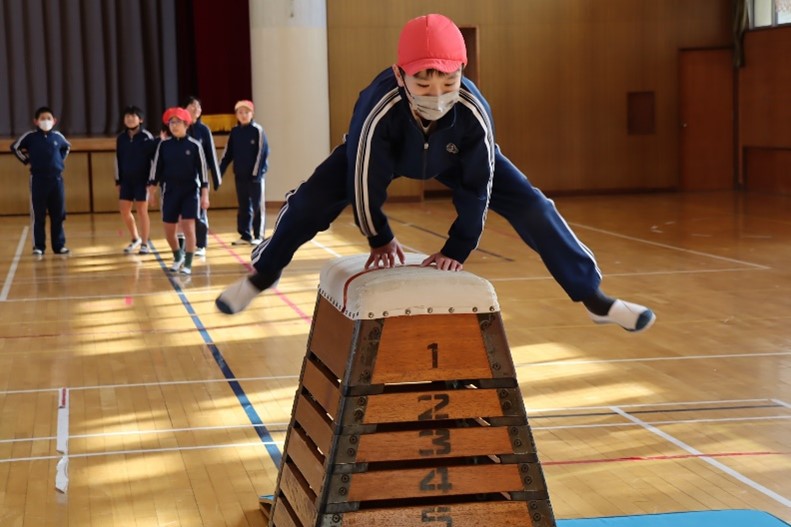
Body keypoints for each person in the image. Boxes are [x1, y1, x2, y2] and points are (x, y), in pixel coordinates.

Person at [216, 14, 655, 333]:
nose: (437, 95)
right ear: (400, 74)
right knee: (309, 203)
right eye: (423, 84)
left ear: (463, 70)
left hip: (454, 156)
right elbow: (363, 183)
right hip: (384, 151)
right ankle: (263, 274)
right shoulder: (378, 108)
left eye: (448, 83)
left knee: (535, 207)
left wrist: (458, 247)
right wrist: (379, 236)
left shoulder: (473, 111)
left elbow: (478, 186)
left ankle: (594, 298)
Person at [149, 107, 209, 275]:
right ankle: (178, 256)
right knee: (169, 230)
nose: (174, 126)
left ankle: (188, 263)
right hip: (170, 192)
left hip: (190, 192)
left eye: (177, 122)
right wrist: (151, 191)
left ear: (186, 124)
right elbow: (156, 170)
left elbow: (203, 174)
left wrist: (205, 195)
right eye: (171, 122)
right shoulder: (164, 145)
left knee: (189, 228)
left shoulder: (195, 146)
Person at [10, 106, 72, 256]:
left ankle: (59, 246)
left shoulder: (58, 136)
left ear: (54, 121)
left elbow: (67, 147)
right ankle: (38, 246)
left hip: (56, 180)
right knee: (38, 215)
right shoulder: (30, 137)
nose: (46, 121)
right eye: (42, 119)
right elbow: (15, 147)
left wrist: (59, 161)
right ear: (36, 121)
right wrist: (27, 160)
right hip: (38, 180)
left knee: (58, 214)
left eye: (48, 118)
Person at [218, 100, 269, 245]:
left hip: (255, 177)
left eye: (247, 112)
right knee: (243, 206)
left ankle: (258, 235)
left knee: (257, 206)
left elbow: (262, 153)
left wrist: (256, 174)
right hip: (240, 176)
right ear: (236, 115)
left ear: (252, 114)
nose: (243, 115)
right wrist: (219, 173)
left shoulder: (258, 130)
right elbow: (228, 154)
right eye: (240, 112)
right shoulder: (235, 132)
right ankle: (245, 235)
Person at [115, 105, 157, 254]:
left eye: (133, 116)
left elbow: (154, 161)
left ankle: (145, 243)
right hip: (126, 181)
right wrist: (118, 180)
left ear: (140, 119)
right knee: (124, 210)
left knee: (142, 211)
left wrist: (151, 182)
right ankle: (135, 238)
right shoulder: (121, 138)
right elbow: (117, 159)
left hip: (142, 181)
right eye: (127, 116)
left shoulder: (147, 137)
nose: (130, 119)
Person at [184, 96, 221, 257]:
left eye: (198, 107)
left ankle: (201, 244)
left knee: (200, 212)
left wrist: (216, 177)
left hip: (200, 177)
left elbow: (211, 154)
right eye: (192, 106)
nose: (196, 109)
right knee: (183, 214)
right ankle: (185, 244)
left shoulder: (203, 130)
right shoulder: (179, 126)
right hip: (181, 177)